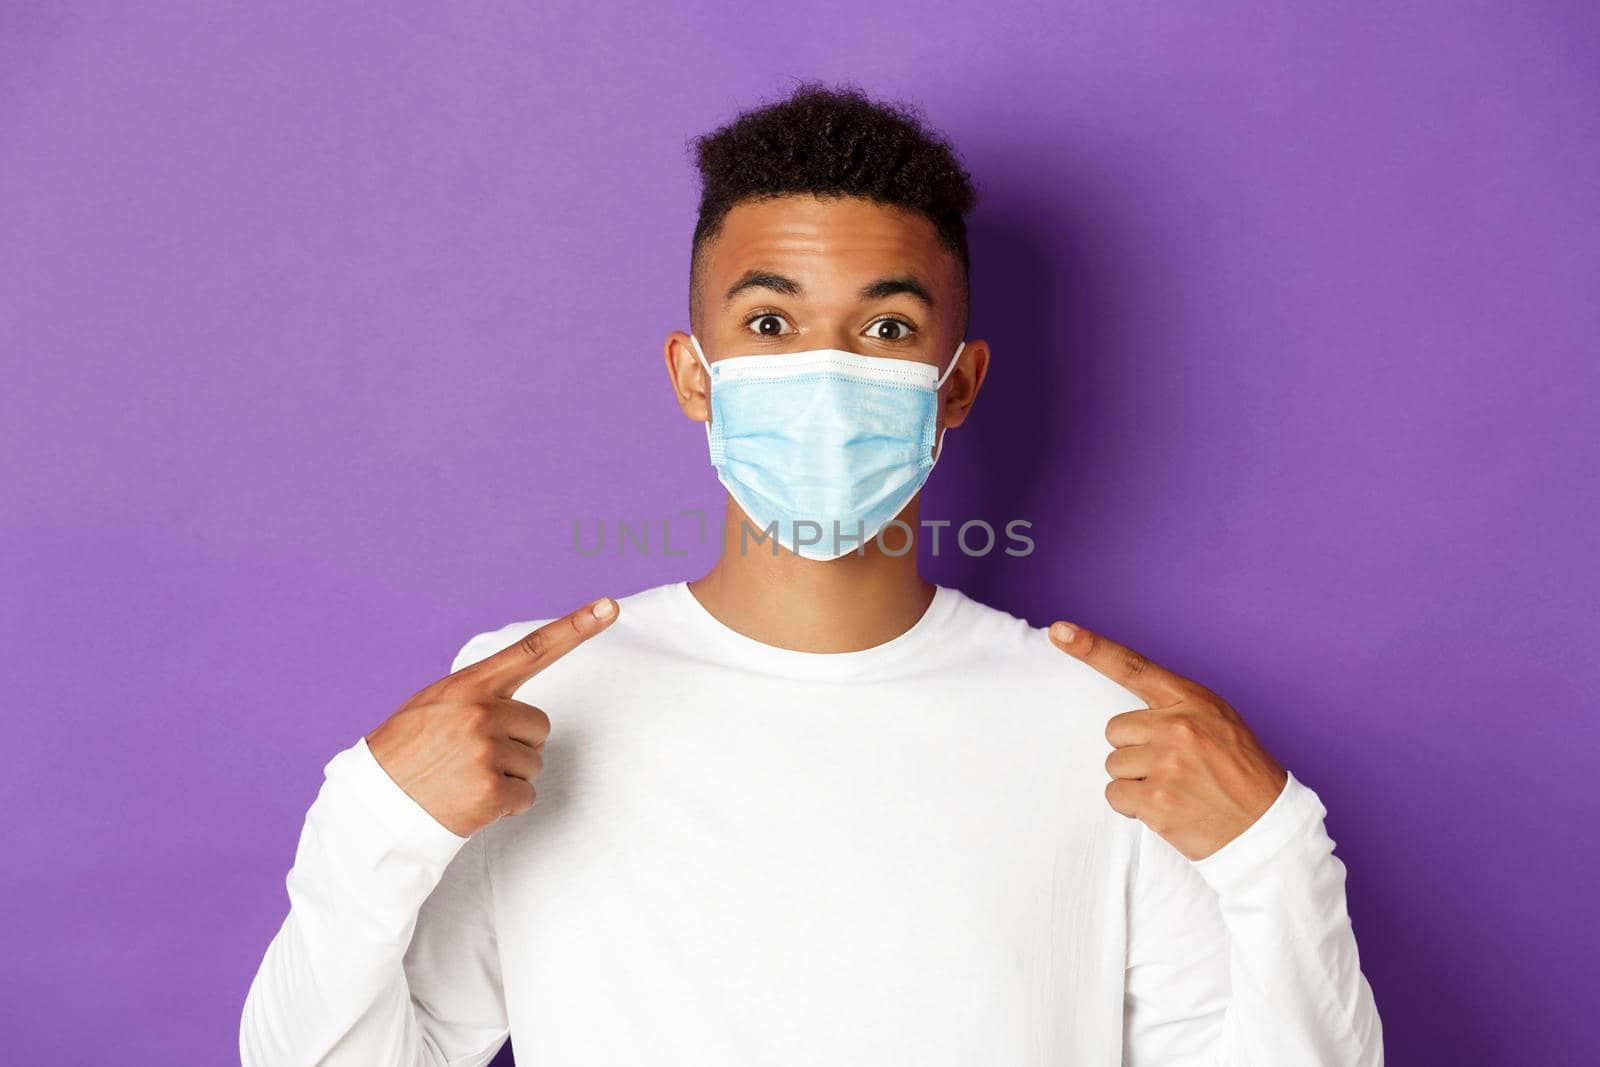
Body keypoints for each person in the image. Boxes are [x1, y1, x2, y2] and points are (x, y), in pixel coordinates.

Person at [240, 81, 1383, 1065]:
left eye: (885, 330)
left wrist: (1275, 851)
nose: (825, 371)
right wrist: (371, 816)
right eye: (771, 321)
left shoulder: (1114, 732)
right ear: (695, 374)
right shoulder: (528, 703)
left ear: (960, 382)